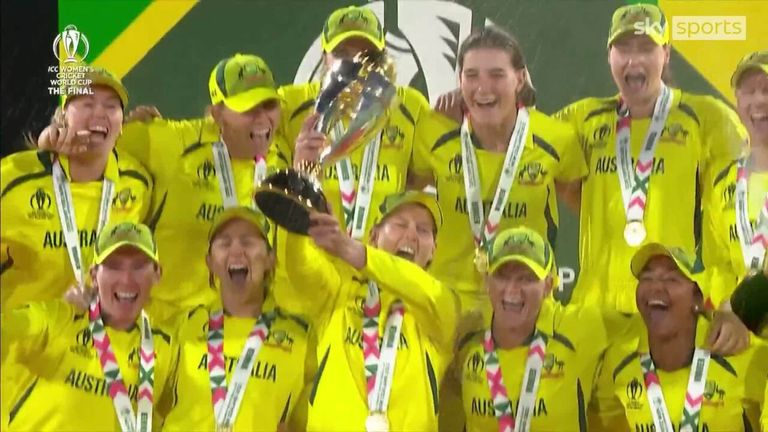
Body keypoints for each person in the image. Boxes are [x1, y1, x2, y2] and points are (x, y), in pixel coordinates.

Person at [38, 54, 288, 322]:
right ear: (217, 114)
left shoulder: (282, 159)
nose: (262, 119)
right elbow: (79, 146)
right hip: (163, 328)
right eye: (248, 109)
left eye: (269, 105)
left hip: (240, 327)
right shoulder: (168, 144)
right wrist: (51, 138)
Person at [554, 3, 746, 320]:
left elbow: (737, 203)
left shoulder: (707, 117)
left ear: (666, 53)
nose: (634, 60)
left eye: (646, 48)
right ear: (609, 56)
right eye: (623, 49)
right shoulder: (583, 118)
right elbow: (522, 146)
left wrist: (727, 296)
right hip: (594, 312)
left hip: (669, 308)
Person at [411, 24, 586, 319]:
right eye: (472, 75)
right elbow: (400, 190)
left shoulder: (557, 139)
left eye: (496, 75)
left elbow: (589, 212)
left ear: (519, 79)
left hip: (526, 301)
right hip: (447, 301)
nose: (483, 88)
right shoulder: (435, 131)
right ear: (459, 80)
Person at [279, 190, 458, 431]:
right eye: (400, 224)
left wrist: (354, 251)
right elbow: (300, 265)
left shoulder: (439, 305)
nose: (411, 235)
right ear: (373, 237)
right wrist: (301, 219)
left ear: (434, 250)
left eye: (423, 230)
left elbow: (421, 287)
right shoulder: (339, 291)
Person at [1, 65, 153, 313]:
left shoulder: (137, 184)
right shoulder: (13, 179)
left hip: (97, 343)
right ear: (62, 117)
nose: (100, 113)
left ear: (122, 124)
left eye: (111, 106)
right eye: (88, 104)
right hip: (25, 344)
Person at [1, 221, 177, 431]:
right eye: (113, 266)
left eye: (139, 266)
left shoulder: (166, 348)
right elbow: (13, 326)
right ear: (93, 275)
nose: (126, 279)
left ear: (157, 274)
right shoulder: (60, 319)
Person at [283, 5, 432, 242]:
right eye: (342, 54)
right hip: (312, 266)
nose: (355, 65)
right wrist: (303, 169)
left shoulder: (410, 107)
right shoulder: (290, 106)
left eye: (367, 56)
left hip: (376, 266)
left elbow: (424, 177)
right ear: (324, 57)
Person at [589, 243, 768, 431]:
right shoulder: (619, 361)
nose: (655, 287)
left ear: (698, 299)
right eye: (647, 278)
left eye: (671, 279)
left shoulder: (745, 355)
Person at [162, 206, 311, 431]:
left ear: (271, 259)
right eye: (224, 243)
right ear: (209, 262)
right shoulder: (183, 324)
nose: (236, 251)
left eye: (248, 242)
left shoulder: (300, 337)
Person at [457, 226, 620, 431]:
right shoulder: (467, 334)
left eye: (527, 278)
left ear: (549, 286)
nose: (512, 289)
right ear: (487, 281)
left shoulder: (579, 327)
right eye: (502, 275)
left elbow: (644, 325)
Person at [704, 50, 768, 307]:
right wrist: (728, 311)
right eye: (748, 91)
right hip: (742, 340)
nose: (759, 101)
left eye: (766, 90)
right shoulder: (722, 184)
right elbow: (718, 268)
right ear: (737, 101)